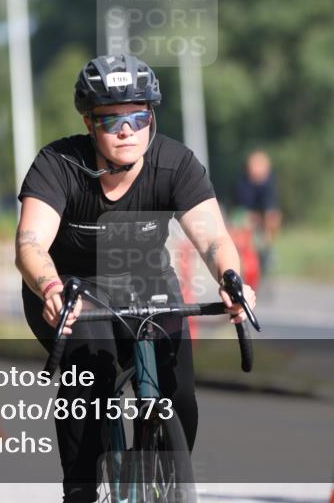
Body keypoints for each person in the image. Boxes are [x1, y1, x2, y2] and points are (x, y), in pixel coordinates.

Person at [16, 54, 256, 502]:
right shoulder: (58, 165)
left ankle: (168, 477)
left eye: (137, 117)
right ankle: (83, 491)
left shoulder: (174, 163)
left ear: (152, 118)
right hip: (72, 291)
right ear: (90, 124)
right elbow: (30, 245)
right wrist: (49, 287)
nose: (126, 130)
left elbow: (213, 238)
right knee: (92, 383)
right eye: (111, 121)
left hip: (147, 283)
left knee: (179, 397)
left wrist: (229, 277)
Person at [234, 150, 282, 279]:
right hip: (245, 214)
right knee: (244, 221)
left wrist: (267, 222)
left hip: (262, 216)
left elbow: (271, 205)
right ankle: (244, 258)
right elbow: (241, 206)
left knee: (273, 217)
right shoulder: (243, 182)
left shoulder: (270, 182)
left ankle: (267, 248)